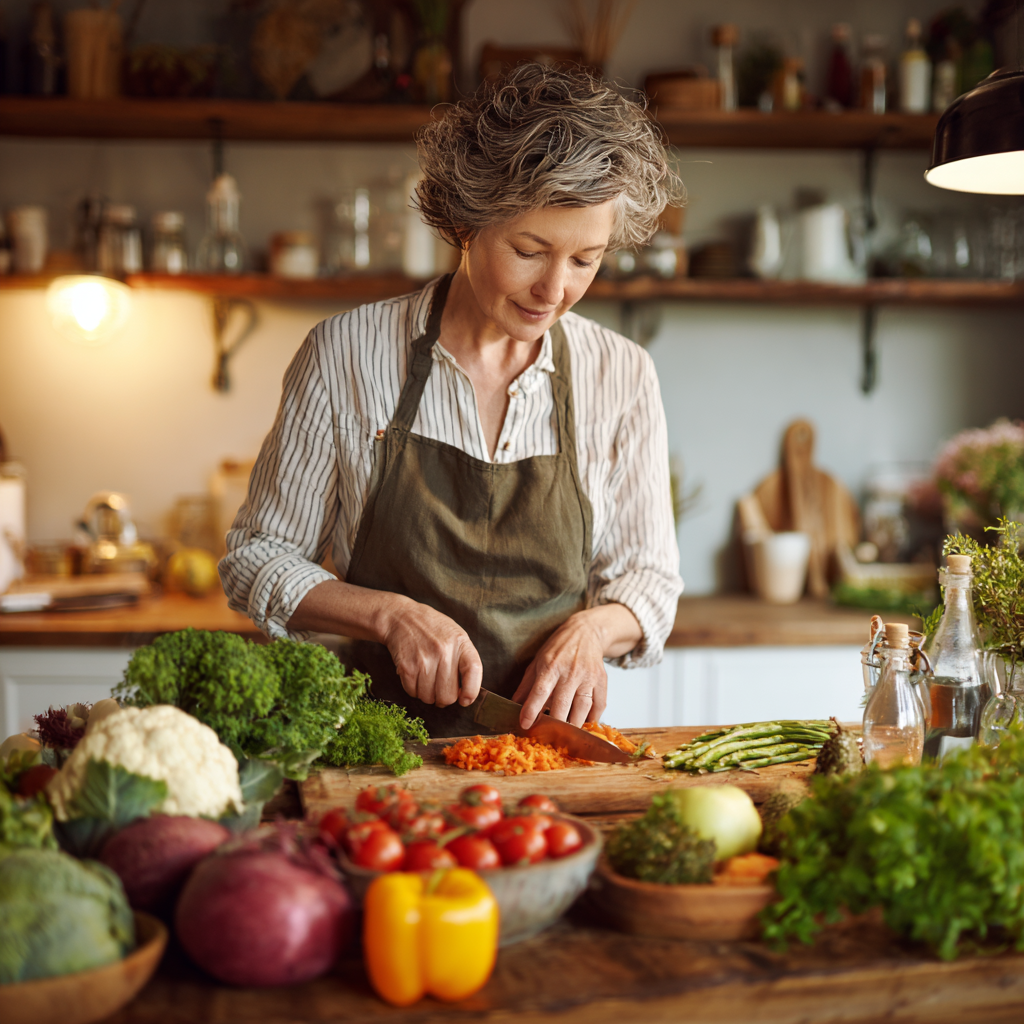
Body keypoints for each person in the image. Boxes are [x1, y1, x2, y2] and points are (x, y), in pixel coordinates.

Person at [220, 63, 684, 737]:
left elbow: (650, 584)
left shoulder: (621, 373)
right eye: (530, 250)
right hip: (369, 751)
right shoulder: (347, 353)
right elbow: (255, 558)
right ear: (466, 223)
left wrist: (592, 630)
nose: (555, 289)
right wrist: (390, 616)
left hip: (546, 759)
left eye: (586, 260)